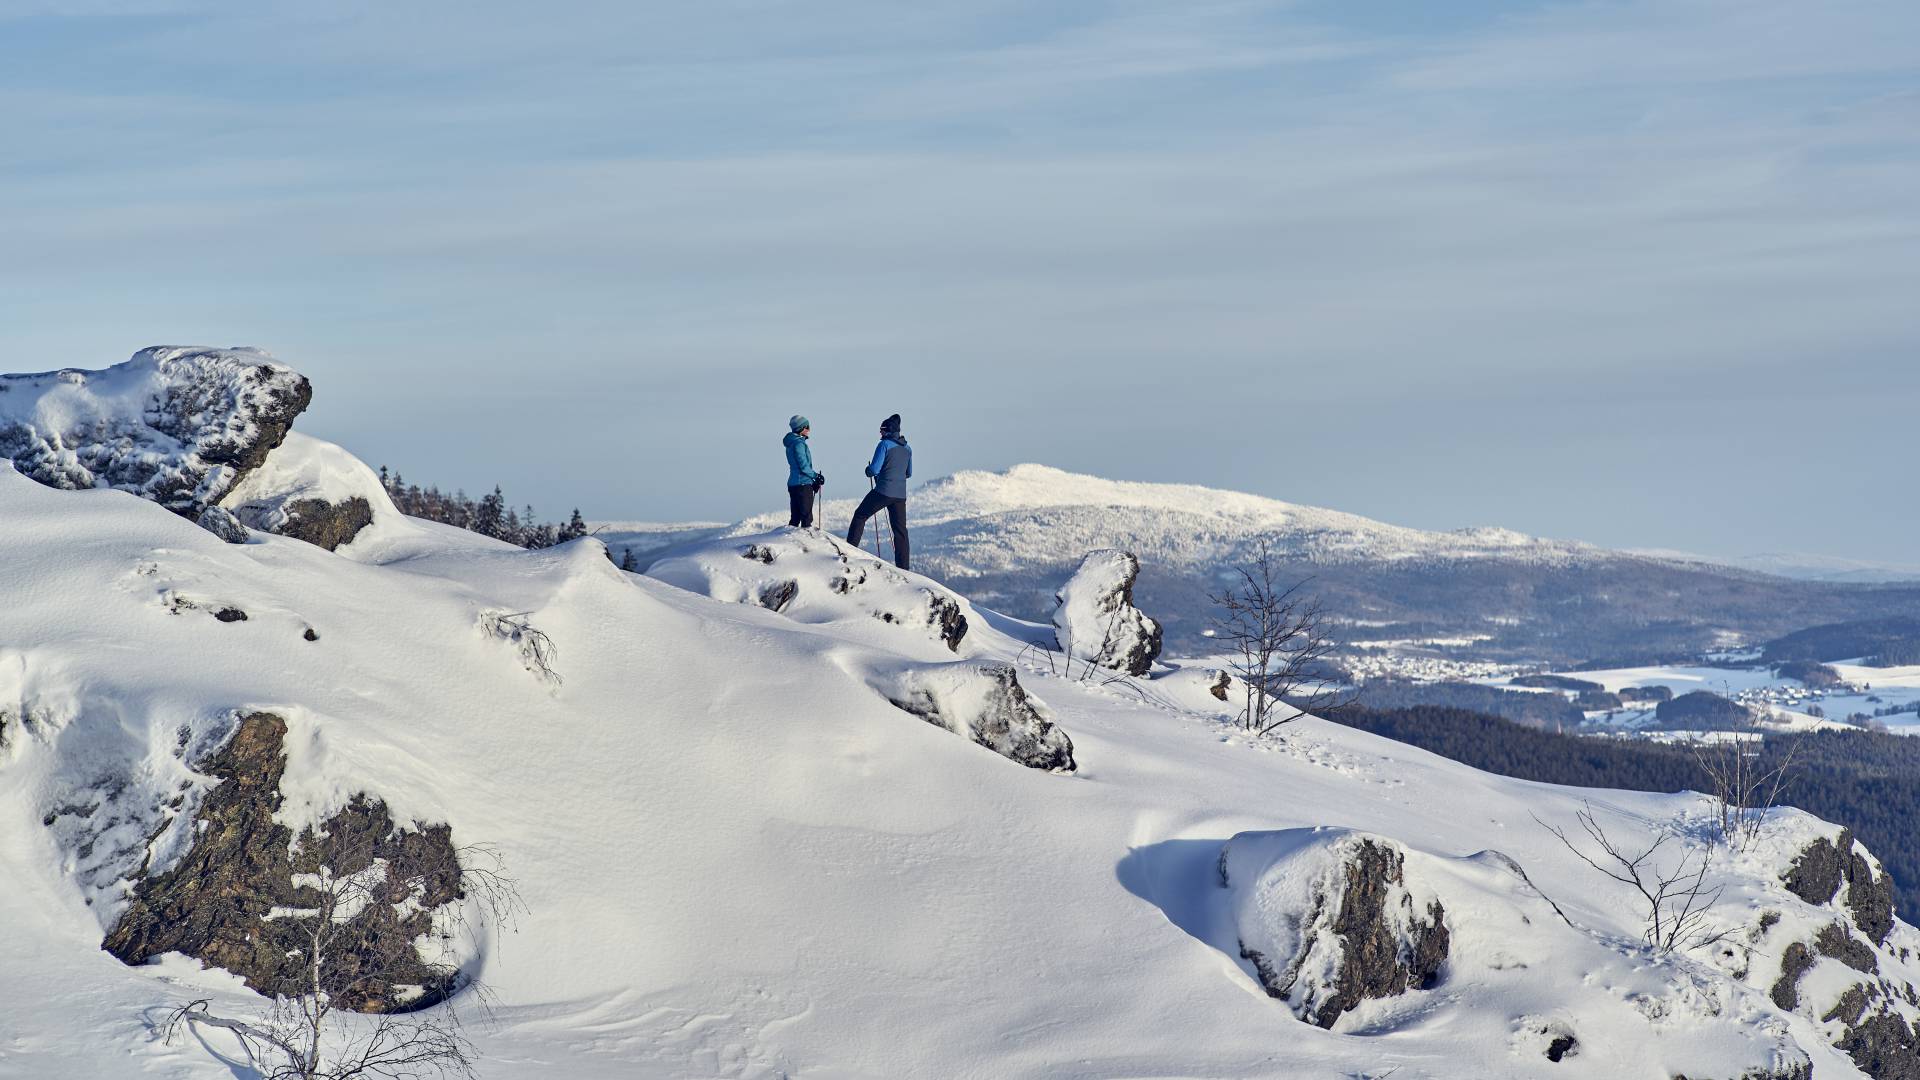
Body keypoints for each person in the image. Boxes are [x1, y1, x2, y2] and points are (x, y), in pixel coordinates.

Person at [847, 413, 911, 569]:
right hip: (900, 495)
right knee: (900, 531)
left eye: (881, 430)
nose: (880, 433)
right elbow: (908, 473)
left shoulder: (884, 445)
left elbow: (874, 469)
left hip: (884, 491)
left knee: (860, 515)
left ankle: (848, 551)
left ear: (888, 430)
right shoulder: (907, 448)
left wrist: (868, 470)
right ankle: (904, 568)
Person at [783, 415, 823, 528]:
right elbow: (803, 466)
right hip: (802, 485)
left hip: (794, 484)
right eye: (807, 427)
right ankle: (806, 545)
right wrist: (816, 477)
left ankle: (789, 543)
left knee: (795, 519)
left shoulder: (790, 443)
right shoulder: (799, 444)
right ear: (801, 428)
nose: (809, 429)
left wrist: (812, 480)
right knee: (806, 519)